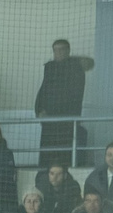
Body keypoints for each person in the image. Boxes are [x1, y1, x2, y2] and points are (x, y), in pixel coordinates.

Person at [33, 40, 93, 169]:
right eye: (55, 50)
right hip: (49, 122)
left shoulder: (76, 69)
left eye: (61, 49)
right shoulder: (50, 69)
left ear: (68, 51)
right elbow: (43, 90)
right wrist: (39, 110)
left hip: (66, 121)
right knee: (47, 158)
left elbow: (74, 95)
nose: (58, 53)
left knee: (64, 157)